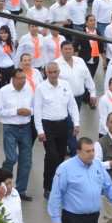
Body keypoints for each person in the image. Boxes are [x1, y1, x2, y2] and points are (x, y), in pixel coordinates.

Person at [35, 62, 80, 199]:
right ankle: (47, 186)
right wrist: (40, 131)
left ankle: (59, 184)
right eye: (50, 73)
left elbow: (72, 105)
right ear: (45, 72)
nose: (53, 75)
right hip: (48, 125)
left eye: (55, 72)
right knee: (52, 156)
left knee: (61, 157)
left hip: (63, 125)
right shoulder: (41, 88)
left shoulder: (65, 85)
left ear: (59, 72)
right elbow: (37, 110)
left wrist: (76, 123)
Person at [0, 68, 36, 200]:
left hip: (25, 129)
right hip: (10, 129)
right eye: (20, 78)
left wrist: (30, 111)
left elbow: (35, 106)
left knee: (26, 160)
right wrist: (16, 111)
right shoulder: (4, 91)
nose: (23, 81)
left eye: (24, 78)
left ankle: (21, 190)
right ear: (13, 79)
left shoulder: (29, 90)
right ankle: (2, 184)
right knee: (11, 158)